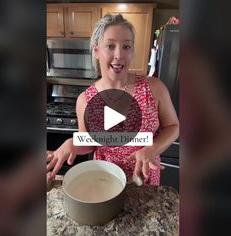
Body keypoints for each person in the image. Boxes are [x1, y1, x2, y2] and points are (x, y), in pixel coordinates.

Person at [46, 14, 179, 186]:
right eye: (110, 45)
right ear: (96, 50)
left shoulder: (154, 88)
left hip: (144, 182)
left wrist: (152, 149)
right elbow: (90, 142)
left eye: (126, 46)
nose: (119, 54)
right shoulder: (85, 100)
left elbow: (173, 127)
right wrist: (71, 144)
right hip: (105, 181)